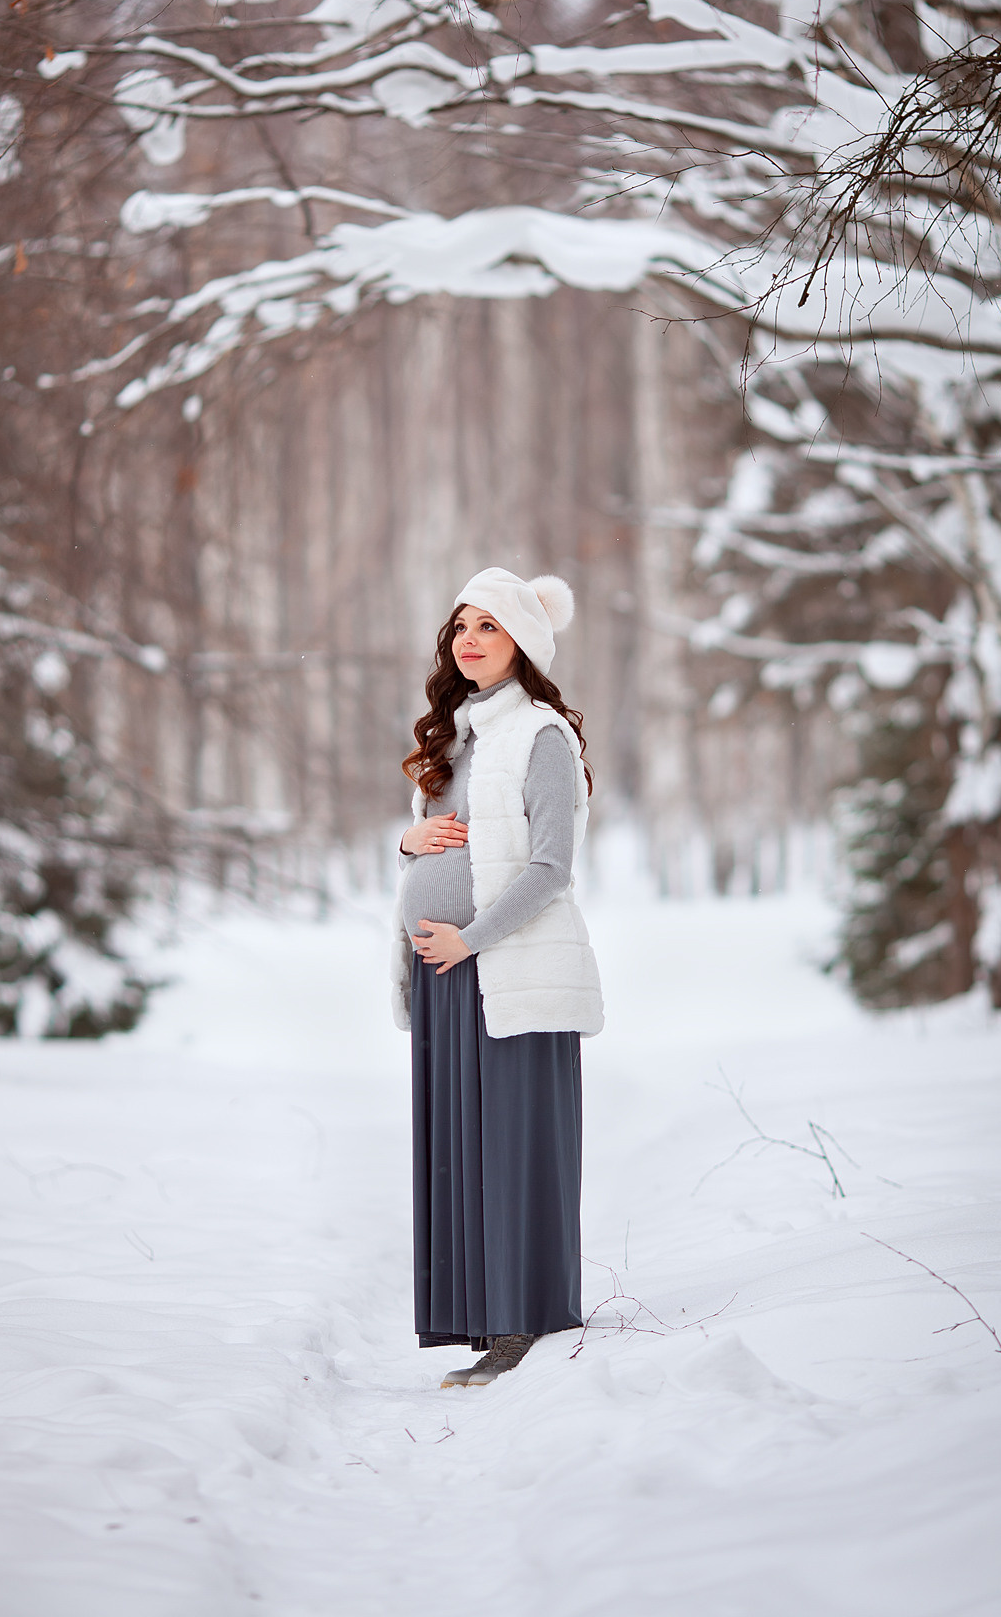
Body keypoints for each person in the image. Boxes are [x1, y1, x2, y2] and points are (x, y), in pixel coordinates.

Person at [392, 568, 604, 1389]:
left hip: (505, 966)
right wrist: (405, 848)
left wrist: (471, 940)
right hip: (447, 970)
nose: (469, 639)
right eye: (461, 625)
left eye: (490, 625)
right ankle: (482, 1318)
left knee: (515, 1146)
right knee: (463, 1150)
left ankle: (525, 1322)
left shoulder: (541, 735)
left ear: (524, 642)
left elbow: (551, 867)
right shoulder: (456, 735)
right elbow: (437, 840)